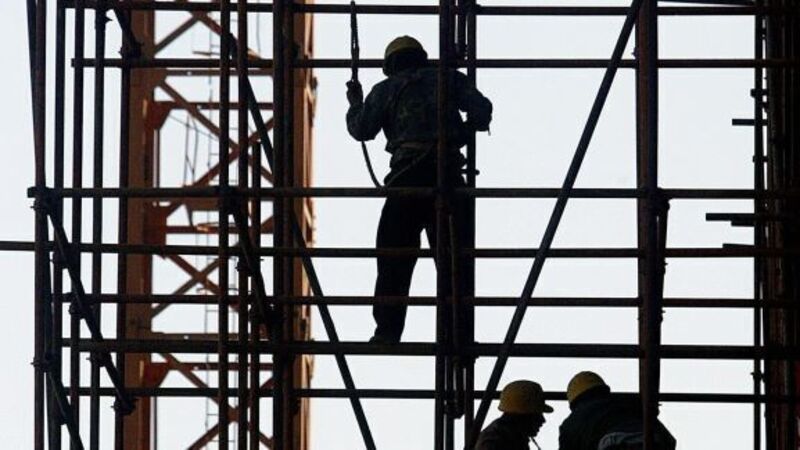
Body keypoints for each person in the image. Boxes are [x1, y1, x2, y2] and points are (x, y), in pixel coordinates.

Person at [346, 35, 493, 344]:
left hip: (407, 180)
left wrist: (355, 103)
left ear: (391, 65)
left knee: (393, 258)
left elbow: (361, 129)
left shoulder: (386, 89)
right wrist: (463, 130)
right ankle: (459, 335)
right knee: (455, 262)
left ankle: (387, 332)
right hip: (448, 178)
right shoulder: (449, 79)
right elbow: (482, 110)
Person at [559, 371, 677, 450]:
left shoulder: (571, 423)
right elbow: (669, 440)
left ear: (573, 402)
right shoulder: (631, 404)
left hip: (613, 444)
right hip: (652, 441)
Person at [474, 380, 553, 450]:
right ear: (522, 416)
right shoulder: (494, 442)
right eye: (536, 415)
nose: (542, 420)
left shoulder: (511, 437)